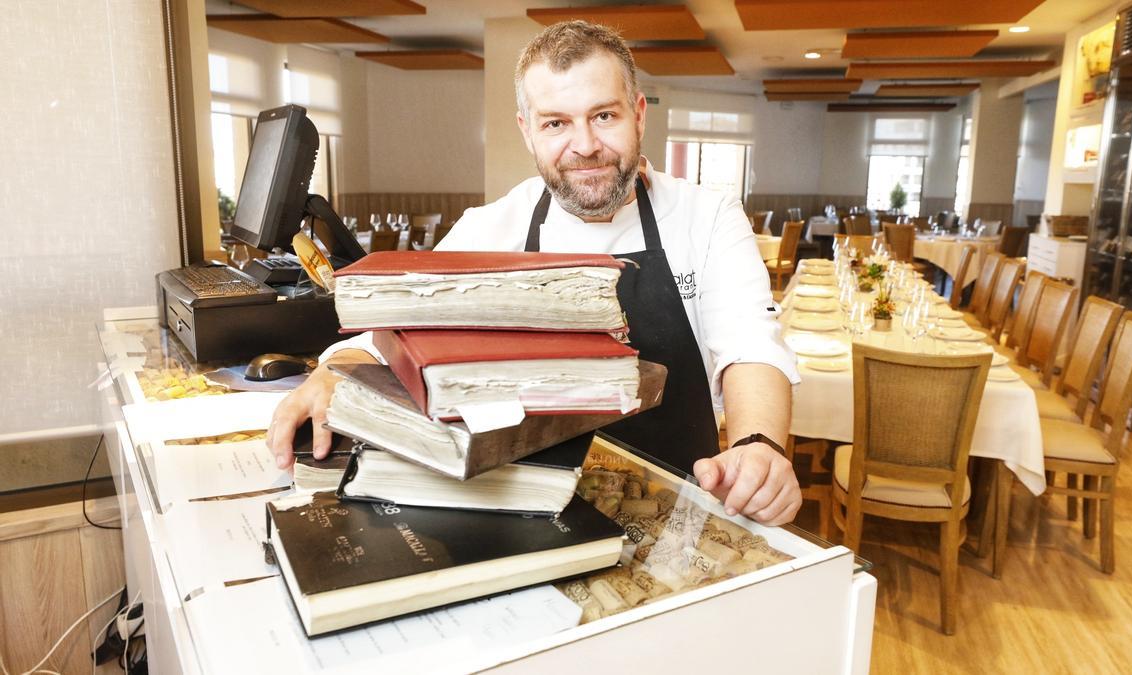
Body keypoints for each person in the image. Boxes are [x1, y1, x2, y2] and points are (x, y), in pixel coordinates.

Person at [267, 20, 803, 526]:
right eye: (556, 123)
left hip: (680, 508)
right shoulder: (490, 227)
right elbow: (393, 329)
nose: (586, 145)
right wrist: (330, 374)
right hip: (528, 507)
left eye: (605, 116)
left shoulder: (706, 216)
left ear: (639, 114)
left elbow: (751, 345)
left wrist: (760, 445)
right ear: (528, 131)